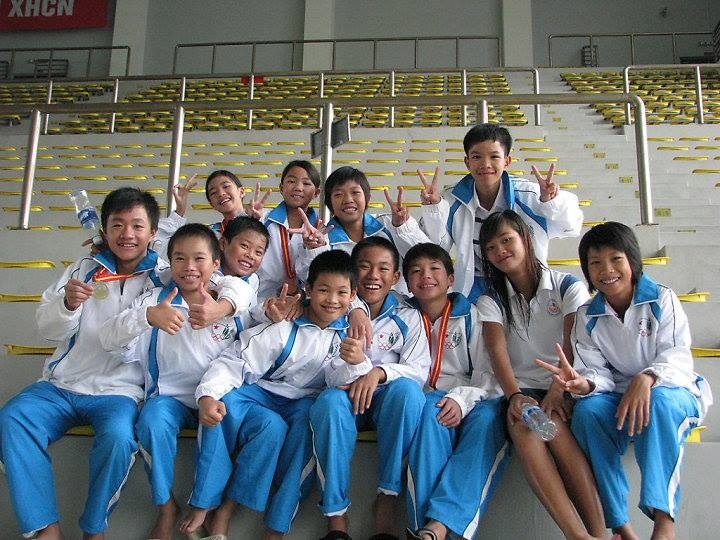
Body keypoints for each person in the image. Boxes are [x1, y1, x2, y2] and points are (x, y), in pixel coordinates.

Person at [0, 187, 164, 540]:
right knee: (13, 417)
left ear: (153, 232)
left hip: (119, 392)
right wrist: (67, 306)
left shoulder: (164, 277)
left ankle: (94, 527)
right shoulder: (83, 268)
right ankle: (45, 528)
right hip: (62, 385)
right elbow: (46, 327)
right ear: (104, 230)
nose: (127, 234)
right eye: (117, 225)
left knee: (118, 438)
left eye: (137, 225)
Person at [536, 221, 713, 540]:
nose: (606, 270)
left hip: (672, 391)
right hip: (617, 398)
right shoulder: (587, 314)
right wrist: (584, 385)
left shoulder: (662, 299)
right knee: (588, 413)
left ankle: (664, 521)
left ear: (632, 260)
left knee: (658, 402)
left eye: (615, 259)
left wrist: (646, 378)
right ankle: (620, 526)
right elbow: (595, 371)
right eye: (595, 262)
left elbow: (677, 355)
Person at [179, 250, 363, 540]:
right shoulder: (283, 325)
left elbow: (338, 380)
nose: (332, 299)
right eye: (323, 290)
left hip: (303, 403)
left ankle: (272, 525)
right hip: (261, 394)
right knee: (223, 406)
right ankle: (204, 502)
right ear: (308, 289)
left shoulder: (347, 336)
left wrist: (355, 363)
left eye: (341, 292)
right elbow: (236, 361)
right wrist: (208, 396)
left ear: (353, 296)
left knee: (304, 435)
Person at [98, 223, 255, 540]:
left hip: (218, 395)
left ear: (216, 262)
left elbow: (246, 293)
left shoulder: (230, 298)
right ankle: (165, 506)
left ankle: (207, 506)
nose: (189, 267)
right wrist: (146, 317)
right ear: (169, 263)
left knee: (228, 421)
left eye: (199, 258)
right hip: (168, 398)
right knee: (151, 423)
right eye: (180, 258)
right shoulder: (155, 299)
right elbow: (108, 338)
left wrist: (220, 308)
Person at [476, 210, 606, 540]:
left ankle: (598, 534)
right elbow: (497, 351)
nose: (500, 251)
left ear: (526, 238)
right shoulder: (491, 299)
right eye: (491, 247)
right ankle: (579, 536)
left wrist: (558, 391)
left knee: (555, 431)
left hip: (564, 386)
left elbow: (572, 343)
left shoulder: (567, 286)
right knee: (528, 428)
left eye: (507, 240)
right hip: (522, 392)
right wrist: (515, 397)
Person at [309, 237, 431, 540]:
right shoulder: (336, 306)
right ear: (353, 270)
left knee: (408, 393)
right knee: (328, 404)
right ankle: (336, 518)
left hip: (386, 401)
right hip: (345, 395)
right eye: (364, 266)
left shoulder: (408, 315)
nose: (373, 275)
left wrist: (378, 373)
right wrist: (356, 369)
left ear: (396, 276)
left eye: (383, 268)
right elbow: (324, 369)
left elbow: (419, 370)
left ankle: (387, 500)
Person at [402, 243, 508, 540]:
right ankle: (425, 529)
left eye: (434, 268)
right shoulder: (404, 314)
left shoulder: (472, 316)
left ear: (450, 279)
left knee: (487, 421)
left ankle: (437, 527)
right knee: (429, 418)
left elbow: (490, 374)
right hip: (429, 398)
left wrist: (462, 399)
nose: (426, 276)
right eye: (416, 271)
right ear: (406, 282)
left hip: (476, 395)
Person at [417, 123, 583, 302]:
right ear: (467, 162)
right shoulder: (451, 198)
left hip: (523, 283)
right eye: (477, 157)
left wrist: (551, 202)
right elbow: (435, 247)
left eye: (494, 156)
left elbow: (571, 227)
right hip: (475, 287)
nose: (485, 164)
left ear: (507, 161)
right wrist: (434, 210)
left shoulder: (531, 195)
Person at [294, 165, 430, 294]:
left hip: (396, 305)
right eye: (338, 194)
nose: (348, 200)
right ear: (329, 203)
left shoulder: (390, 223)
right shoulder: (321, 238)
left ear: (367, 197)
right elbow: (310, 280)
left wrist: (402, 229)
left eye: (355, 192)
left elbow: (426, 258)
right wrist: (314, 250)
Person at [154, 169, 270, 260]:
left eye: (226, 186)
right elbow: (161, 248)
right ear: (212, 205)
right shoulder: (212, 234)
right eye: (213, 192)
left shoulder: (267, 219)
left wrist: (252, 219)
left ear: (241, 191)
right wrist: (180, 211)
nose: (221, 193)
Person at [255, 159, 321, 303]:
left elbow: (319, 275)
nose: (298, 187)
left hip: (304, 304)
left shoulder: (321, 230)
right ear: (281, 187)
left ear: (316, 192)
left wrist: (311, 248)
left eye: (306, 183)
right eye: (291, 181)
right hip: (260, 302)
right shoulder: (262, 219)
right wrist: (247, 218)